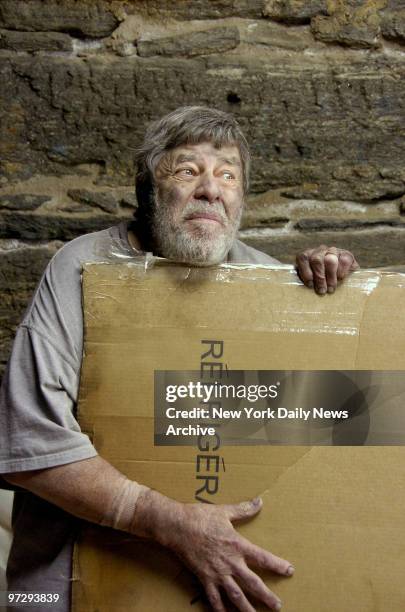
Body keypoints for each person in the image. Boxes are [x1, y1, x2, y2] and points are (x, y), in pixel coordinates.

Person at [0, 106, 359, 612]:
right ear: (149, 189)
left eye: (227, 174)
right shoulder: (82, 267)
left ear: (240, 199)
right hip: (70, 583)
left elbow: (335, 416)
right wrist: (169, 521)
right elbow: (28, 446)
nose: (211, 189)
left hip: (214, 585)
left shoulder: (266, 280)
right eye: (188, 170)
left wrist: (330, 296)